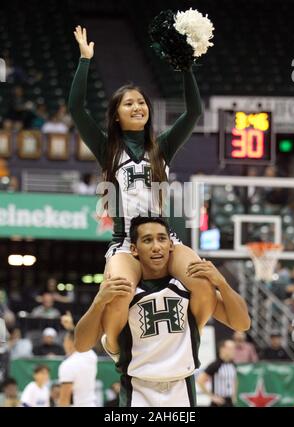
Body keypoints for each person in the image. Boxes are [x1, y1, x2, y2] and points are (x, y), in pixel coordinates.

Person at [69, 25, 211, 345]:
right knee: (118, 290)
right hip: (126, 243)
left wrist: (186, 66)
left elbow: (194, 111)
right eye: (128, 104)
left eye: (141, 102)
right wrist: (85, 60)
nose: (137, 107)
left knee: (202, 281)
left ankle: (190, 339)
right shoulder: (108, 149)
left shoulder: (162, 146)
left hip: (164, 238)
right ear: (116, 116)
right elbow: (77, 109)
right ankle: (116, 346)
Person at [76, 216, 250, 407]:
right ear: (134, 249)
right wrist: (98, 302)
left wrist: (222, 283)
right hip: (139, 388)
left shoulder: (190, 288)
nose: (156, 247)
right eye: (148, 240)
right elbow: (81, 345)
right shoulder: (122, 292)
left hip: (181, 386)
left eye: (161, 239)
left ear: (171, 244)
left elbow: (242, 323)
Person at [58, 331, 97, 407]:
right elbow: (79, 334)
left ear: (70, 342)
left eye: (65, 341)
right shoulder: (91, 355)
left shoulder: (67, 365)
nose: (64, 345)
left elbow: (64, 400)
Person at [197, 340, 237, 407]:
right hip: (219, 402)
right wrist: (212, 397)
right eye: (230, 349)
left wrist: (234, 395)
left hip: (230, 401)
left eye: (234, 348)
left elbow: (234, 380)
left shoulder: (233, 364)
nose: (233, 351)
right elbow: (200, 381)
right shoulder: (215, 365)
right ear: (222, 349)